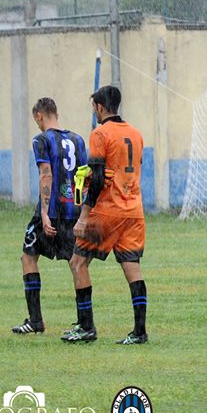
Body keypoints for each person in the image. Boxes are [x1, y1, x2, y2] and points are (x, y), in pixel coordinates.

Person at [66, 85, 148, 345]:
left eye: (94, 109)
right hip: (134, 210)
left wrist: (83, 216)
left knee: (78, 263)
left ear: (100, 108)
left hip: (108, 211)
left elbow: (99, 178)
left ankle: (86, 326)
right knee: (132, 268)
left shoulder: (100, 133)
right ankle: (139, 331)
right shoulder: (136, 134)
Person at [11, 98, 87, 335]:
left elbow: (46, 174)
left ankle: (35, 321)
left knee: (28, 256)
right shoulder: (77, 140)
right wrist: (81, 209)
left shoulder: (41, 140)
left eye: (36, 119)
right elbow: (85, 178)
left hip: (51, 211)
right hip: (72, 213)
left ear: (39, 116)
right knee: (77, 264)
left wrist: (44, 213)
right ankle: (84, 321)